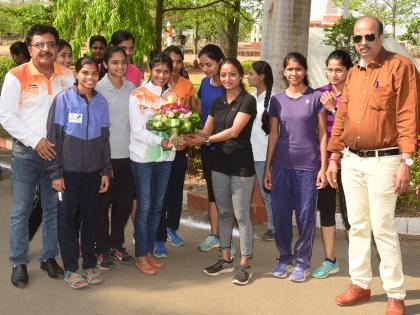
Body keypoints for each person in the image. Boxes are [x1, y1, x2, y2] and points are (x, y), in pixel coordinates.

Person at [327, 16, 419, 315]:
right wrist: (333, 156)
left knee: (383, 228)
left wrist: (406, 162)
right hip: (352, 160)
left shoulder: (401, 67)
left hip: (385, 160)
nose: (363, 44)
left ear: (381, 37)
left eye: (369, 37)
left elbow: (408, 116)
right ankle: (361, 284)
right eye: (357, 39)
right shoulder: (353, 73)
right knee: (357, 227)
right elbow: (341, 116)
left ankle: (395, 293)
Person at [0, 24, 75, 288]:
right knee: (21, 210)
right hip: (27, 153)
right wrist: (36, 141)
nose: (45, 49)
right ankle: (18, 261)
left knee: (53, 208)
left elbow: (74, 113)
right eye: (39, 45)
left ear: (57, 47)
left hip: (57, 155)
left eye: (51, 44)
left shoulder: (68, 76)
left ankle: (48, 257)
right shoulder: (15, 75)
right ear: (30, 48)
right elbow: (7, 116)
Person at [185, 58, 257, 285]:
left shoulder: (248, 100)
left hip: (241, 165)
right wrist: (182, 133)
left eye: (232, 74)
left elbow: (234, 132)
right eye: (224, 75)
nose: (227, 79)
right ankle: (225, 259)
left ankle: (245, 264)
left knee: (242, 215)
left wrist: (205, 139)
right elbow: (205, 130)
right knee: (224, 213)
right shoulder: (216, 102)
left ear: (240, 76)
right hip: (219, 163)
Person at [47, 56, 111, 289]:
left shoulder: (101, 103)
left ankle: (90, 263)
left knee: (91, 219)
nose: (90, 78)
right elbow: (53, 139)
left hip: (93, 172)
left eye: (94, 74)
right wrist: (56, 174)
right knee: (67, 220)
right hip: (68, 173)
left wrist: (106, 170)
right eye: (85, 73)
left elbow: (104, 140)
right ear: (77, 74)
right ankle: (71, 268)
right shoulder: (63, 100)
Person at [265, 52, 328, 283]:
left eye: (298, 69)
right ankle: (284, 257)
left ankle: (302, 262)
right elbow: (274, 134)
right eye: (290, 69)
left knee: (305, 217)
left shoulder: (317, 98)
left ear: (305, 71)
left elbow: (323, 134)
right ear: (284, 71)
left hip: (308, 167)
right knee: (281, 215)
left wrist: (322, 167)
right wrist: (268, 167)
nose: (294, 73)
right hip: (281, 165)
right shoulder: (277, 100)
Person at [129, 52, 178, 275]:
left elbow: (177, 126)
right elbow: (138, 131)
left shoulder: (172, 96)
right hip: (143, 159)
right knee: (145, 207)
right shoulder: (138, 95)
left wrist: (178, 140)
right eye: (157, 70)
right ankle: (140, 254)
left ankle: (148, 251)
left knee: (158, 207)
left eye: (166, 71)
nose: (161, 75)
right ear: (151, 70)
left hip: (166, 159)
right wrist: (162, 140)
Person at [311, 50, 353, 279]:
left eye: (339, 70)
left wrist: (333, 109)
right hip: (325, 163)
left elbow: (354, 129)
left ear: (348, 70)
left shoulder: (356, 94)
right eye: (330, 70)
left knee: (350, 215)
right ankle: (330, 260)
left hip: (351, 163)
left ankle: (358, 265)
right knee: (326, 211)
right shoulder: (319, 93)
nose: (334, 74)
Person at [95, 46, 136, 269]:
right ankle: (101, 250)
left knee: (123, 206)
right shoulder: (98, 89)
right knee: (102, 206)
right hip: (105, 158)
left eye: (123, 62)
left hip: (128, 157)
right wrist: (103, 162)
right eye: (115, 62)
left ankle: (116, 244)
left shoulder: (132, 88)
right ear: (105, 65)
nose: (120, 66)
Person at [154, 45, 196, 257]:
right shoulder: (154, 87)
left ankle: (172, 228)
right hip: (159, 149)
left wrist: (183, 139)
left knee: (175, 190)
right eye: (172, 62)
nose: (176, 66)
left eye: (179, 61)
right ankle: (159, 238)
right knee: (159, 192)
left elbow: (189, 115)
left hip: (179, 148)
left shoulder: (187, 85)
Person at [195, 44, 225, 252]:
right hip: (207, 146)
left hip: (226, 147)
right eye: (203, 65)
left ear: (220, 62)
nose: (206, 69)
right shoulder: (205, 84)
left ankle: (225, 238)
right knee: (213, 192)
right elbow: (199, 109)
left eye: (209, 64)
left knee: (226, 194)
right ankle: (214, 234)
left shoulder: (229, 85)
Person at [247, 60, 275, 241]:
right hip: (248, 152)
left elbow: (276, 131)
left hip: (264, 154)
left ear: (261, 76)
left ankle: (274, 226)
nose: (248, 76)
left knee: (268, 191)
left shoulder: (274, 99)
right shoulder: (250, 96)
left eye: (251, 73)